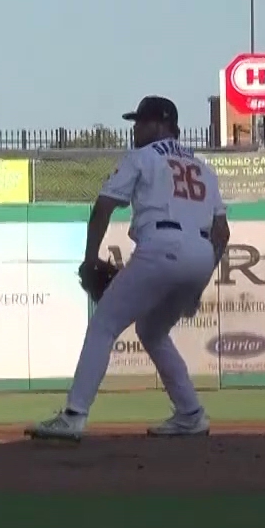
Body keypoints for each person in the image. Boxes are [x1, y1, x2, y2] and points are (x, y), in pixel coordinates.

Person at [27, 96, 230, 442]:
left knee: (104, 325)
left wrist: (90, 259)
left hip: (162, 244)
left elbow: (103, 208)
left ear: (161, 125)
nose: (135, 128)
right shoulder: (203, 168)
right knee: (151, 331)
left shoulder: (143, 157)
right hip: (200, 252)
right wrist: (198, 283)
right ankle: (190, 413)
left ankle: (74, 415)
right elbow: (222, 233)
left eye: (141, 122)